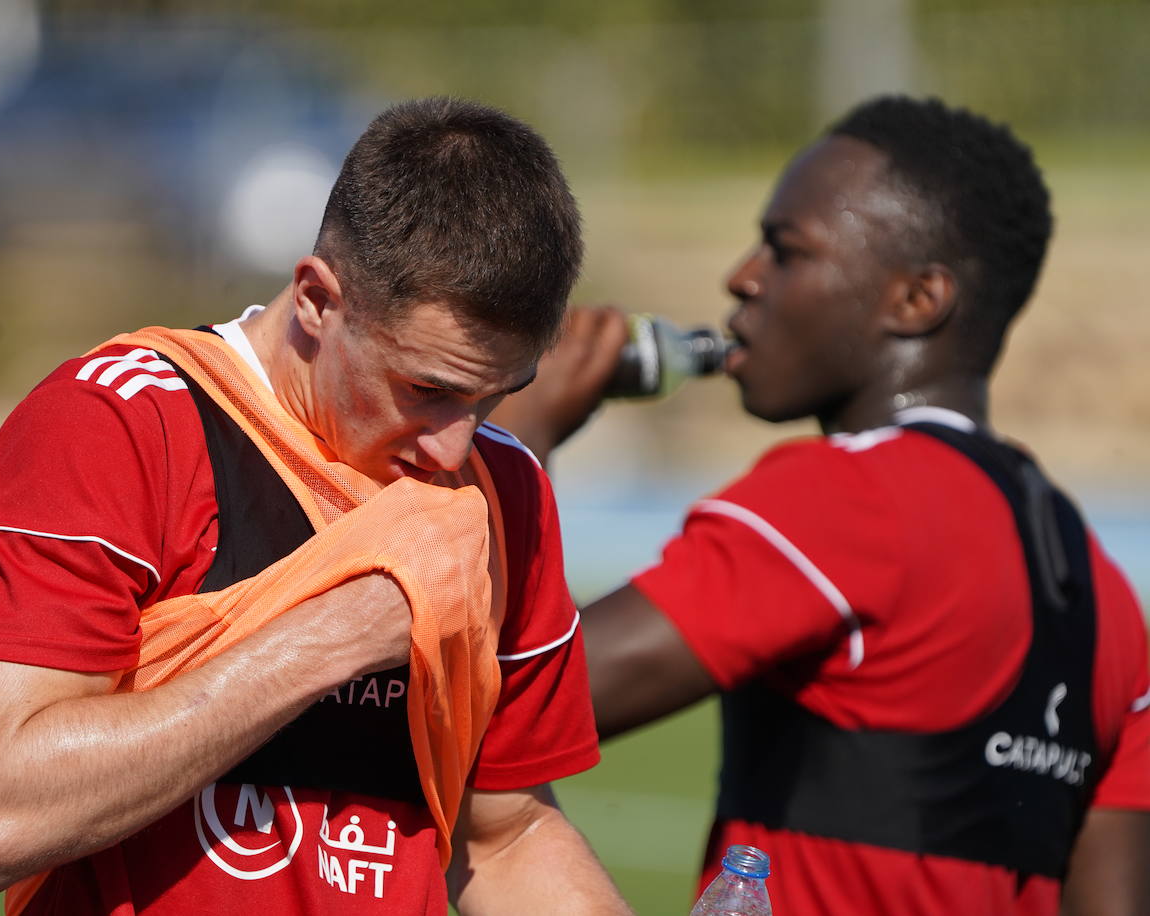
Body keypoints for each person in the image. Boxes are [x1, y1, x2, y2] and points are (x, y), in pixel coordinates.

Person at [0, 96, 631, 915]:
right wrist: (332, 634)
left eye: (494, 398)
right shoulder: (121, 424)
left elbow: (504, 839)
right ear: (315, 299)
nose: (454, 447)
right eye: (426, 389)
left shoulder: (499, 494)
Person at [489, 95, 1150, 915]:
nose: (742, 276)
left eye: (786, 250)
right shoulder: (1103, 591)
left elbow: (505, 709)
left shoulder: (849, 499)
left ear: (916, 301)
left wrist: (519, 441)